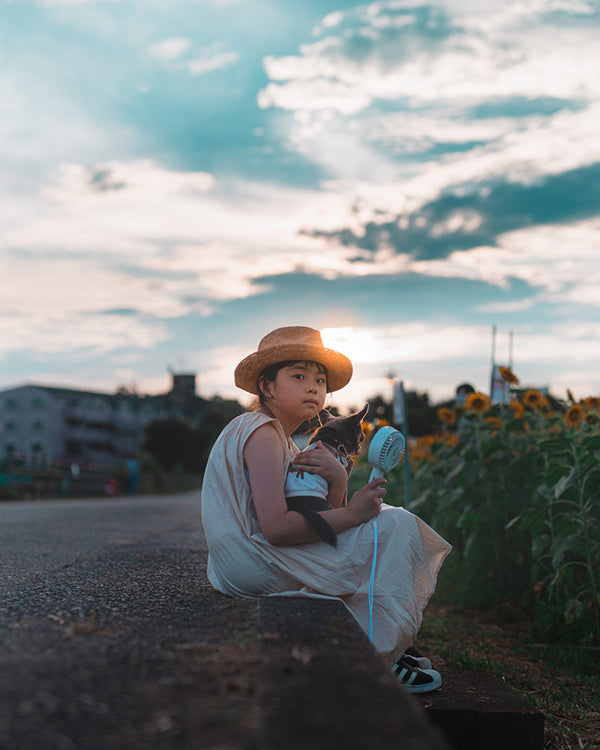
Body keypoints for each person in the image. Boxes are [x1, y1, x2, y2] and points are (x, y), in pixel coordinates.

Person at [201, 326, 451, 692]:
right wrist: (356, 513)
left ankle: (385, 642)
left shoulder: (282, 440)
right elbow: (279, 528)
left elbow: (319, 520)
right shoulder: (263, 433)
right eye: (298, 376)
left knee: (377, 526)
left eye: (320, 380)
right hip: (252, 559)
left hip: (243, 560)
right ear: (267, 387)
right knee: (394, 524)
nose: (313, 387)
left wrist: (339, 482)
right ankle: (377, 656)